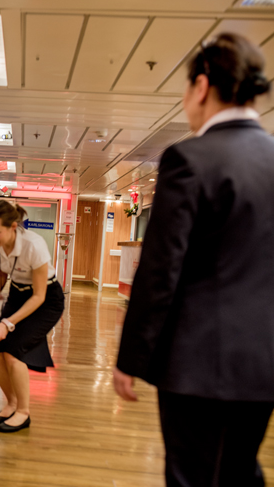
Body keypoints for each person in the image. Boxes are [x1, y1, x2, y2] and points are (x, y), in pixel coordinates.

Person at [113, 33, 274, 486]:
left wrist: (131, 357)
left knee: (192, 476)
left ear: (201, 86)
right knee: (239, 470)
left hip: (198, 363)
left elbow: (160, 270)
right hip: (264, 362)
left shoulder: (190, 158)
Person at [0, 200, 64, 432]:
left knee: (13, 351)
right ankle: (12, 403)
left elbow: (39, 296)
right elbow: (0, 274)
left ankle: (23, 413)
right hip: (17, 293)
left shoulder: (34, 245)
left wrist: (8, 323)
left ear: (13, 227)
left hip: (46, 299)